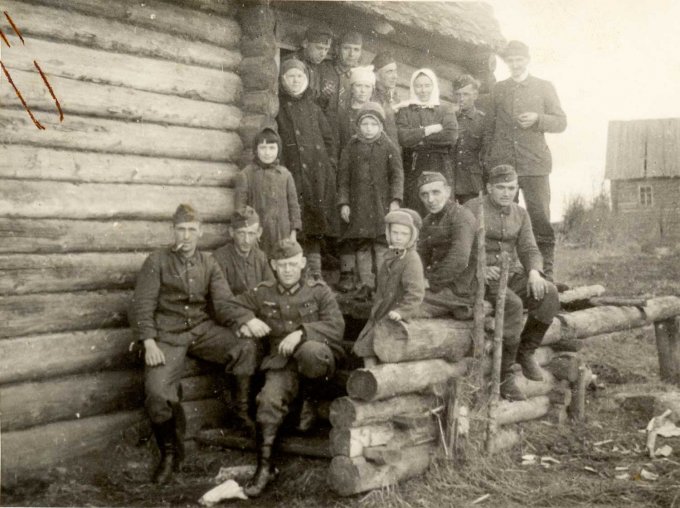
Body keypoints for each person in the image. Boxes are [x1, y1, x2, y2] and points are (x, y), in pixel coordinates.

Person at [129, 204, 258, 484]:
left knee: (245, 346)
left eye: (191, 230)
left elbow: (224, 302)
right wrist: (149, 342)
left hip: (201, 330)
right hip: (167, 335)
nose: (186, 237)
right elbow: (142, 305)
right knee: (157, 391)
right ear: (172, 231)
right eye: (180, 230)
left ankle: (241, 416)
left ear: (200, 232)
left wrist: (244, 320)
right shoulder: (157, 261)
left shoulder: (208, 263)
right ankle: (170, 453)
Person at [224, 238, 345, 497]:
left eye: (292, 264)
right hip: (281, 362)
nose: (288, 270)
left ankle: (309, 402)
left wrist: (302, 332)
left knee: (310, 352)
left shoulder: (319, 291)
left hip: (318, 359)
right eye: (282, 265)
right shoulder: (263, 292)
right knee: (267, 400)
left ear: (302, 263)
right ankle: (265, 468)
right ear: (273, 266)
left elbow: (336, 327)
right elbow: (230, 305)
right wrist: (248, 320)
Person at [465, 165, 560, 401]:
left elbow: (528, 248)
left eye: (511, 188)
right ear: (488, 187)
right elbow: (459, 248)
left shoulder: (520, 213)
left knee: (549, 294)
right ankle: (504, 376)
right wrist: (480, 268)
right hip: (481, 278)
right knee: (513, 305)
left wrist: (535, 273)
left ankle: (525, 351)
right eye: (501, 188)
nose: (507, 193)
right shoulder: (472, 209)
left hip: (510, 273)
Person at [484, 40, 567, 280]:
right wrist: (490, 161)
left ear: (527, 60)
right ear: (506, 63)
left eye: (519, 59)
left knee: (540, 218)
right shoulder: (499, 89)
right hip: (504, 165)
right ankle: (511, 276)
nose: (515, 64)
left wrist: (538, 119)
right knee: (504, 217)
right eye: (510, 60)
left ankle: (545, 275)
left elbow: (561, 122)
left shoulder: (543, 87)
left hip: (534, 164)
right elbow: (490, 126)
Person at [277, 58, 338, 280]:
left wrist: (329, 165)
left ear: (306, 80)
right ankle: (298, 276)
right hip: (291, 172)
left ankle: (315, 275)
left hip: (315, 175)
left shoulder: (313, 109)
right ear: (283, 80)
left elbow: (329, 139)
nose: (295, 81)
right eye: (291, 76)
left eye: (300, 76)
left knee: (314, 226)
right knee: (296, 223)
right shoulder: (278, 107)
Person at [336, 102, 403, 296]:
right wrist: (344, 202)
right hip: (359, 207)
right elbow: (343, 178)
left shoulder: (388, 146)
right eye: (365, 124)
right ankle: (365, 284)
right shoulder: (351, 146)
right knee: (362, 245)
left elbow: (397, 175)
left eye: (373, 125)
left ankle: (383, 284)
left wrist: (395, 200)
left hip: (381, 205)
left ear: (381, 126)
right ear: (358, 125)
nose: (368, 129)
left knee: (382, 245)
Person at [352, 208, 425, 367]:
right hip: (382, 311)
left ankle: (379, 381)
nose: (398, 238)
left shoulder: (411, 259)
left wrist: (402, 311)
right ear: (388, 234)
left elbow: (415, 293)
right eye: (395, 233)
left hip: (396, 314)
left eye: (404, 234)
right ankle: (370, 377)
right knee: (367, 347)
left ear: (412, 236)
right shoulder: (390, 256)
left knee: (386, 350)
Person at [396, 68, 458, 217]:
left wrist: (419, 138)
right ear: (413, 87)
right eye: (418, 86)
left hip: (440, 164)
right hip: (414, 166)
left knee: (441, 206)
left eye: (427, 85)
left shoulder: (444, 109)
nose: (423, 90)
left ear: (433, 86)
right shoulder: (406, 111)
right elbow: (403, 137)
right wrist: (428, 130)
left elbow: (451, 135)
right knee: (415, 206)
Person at [416, 172, 478, 318]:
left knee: (404, 304)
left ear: (448, 191)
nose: (430, 199)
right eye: (424, 195)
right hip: (440, 286)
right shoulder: (427, 221)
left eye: (435, 192)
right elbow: (421, 256)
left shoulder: (462, 216)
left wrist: (430, 282)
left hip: (460, 289)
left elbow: (459, 259)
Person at [233, 126, 302, 256]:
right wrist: (250, 233)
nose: (267, 152)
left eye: (272, 148)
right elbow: (240, 209)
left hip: (282, 235)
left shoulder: (285, 175)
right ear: (256, 149)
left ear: (278, 150)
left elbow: (294, 207)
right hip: (258, 237)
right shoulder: (246, 175)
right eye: (263, 148)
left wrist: (293, 234)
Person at [213, 206, 275, 296]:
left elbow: (271, 285)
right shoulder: (220, 258)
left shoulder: (260, 257)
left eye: (251, 234)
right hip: (233, 308)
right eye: (241, 233)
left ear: (259, 233)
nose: (247, 240)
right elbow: (222, 298)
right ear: (231, 232)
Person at [452, 74, 487, 204]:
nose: (461, 99)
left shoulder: (483, 121)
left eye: (466, 94)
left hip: (473, 184)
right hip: (451, 182)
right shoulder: (450, 118)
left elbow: (486, 156)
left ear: (475, 95)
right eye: (458, 94)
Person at [319, 30, 363, 126]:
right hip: (325, 128)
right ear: (337, 49)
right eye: (346, 48)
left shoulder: (362, 75)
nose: (351, 54)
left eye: (356, 50)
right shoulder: (323, 70)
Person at [288, 25, 333, 105]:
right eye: (319, 48)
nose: (323, 54)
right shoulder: (291, 62)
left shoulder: (319, 67)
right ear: (305, 43)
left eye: (326, 49)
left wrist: (324, 97)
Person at [336, 65, 376, 152]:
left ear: (372, 90)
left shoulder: (376, 113)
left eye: (367, 86)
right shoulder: (342, 113)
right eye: (358, 85)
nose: (363, 90)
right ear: (352, 89)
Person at [371, 50, 400, 147]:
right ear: (376, 76)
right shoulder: (372, 97)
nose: (395, 76)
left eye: (395, 71)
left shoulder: (394, 96)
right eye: (389, 72)